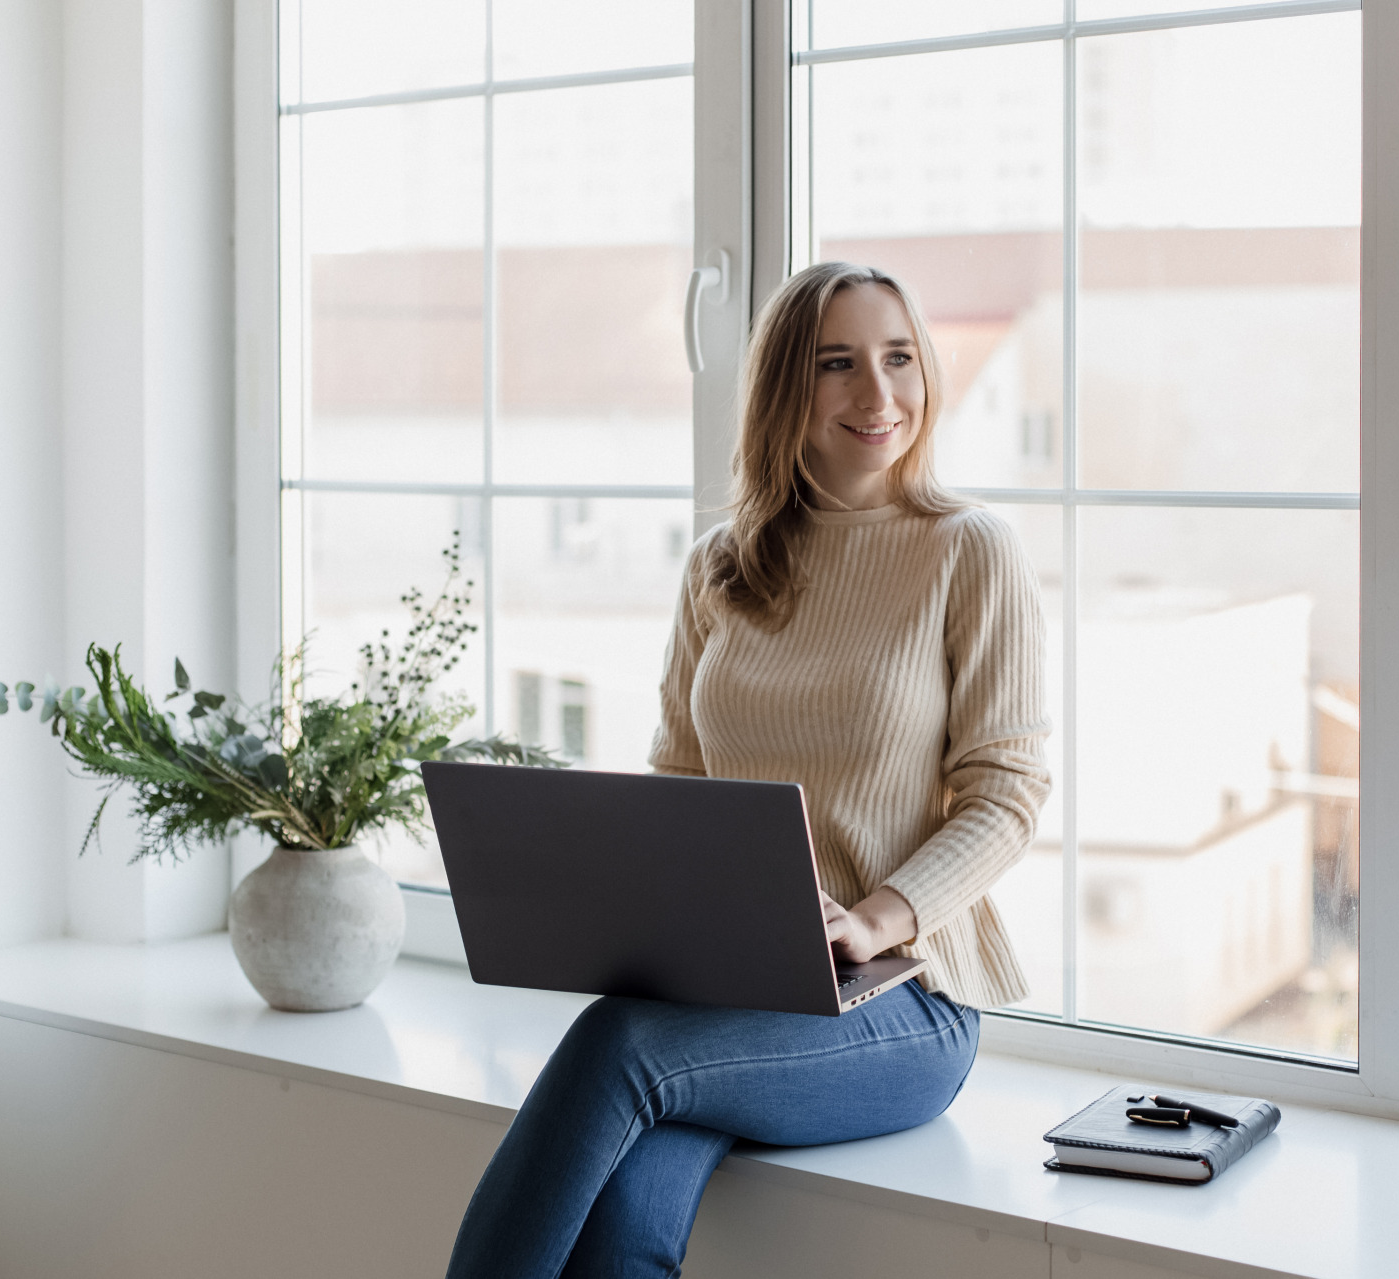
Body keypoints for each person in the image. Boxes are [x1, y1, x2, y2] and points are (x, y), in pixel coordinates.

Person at [444, 261, 1051, 1278]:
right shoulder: (721, 564)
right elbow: (679, 772)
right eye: (837, 364)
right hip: (730, 987)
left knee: (618, 1049)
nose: (879, 393)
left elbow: (1008, 791)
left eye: (899, 358)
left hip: (902, 999)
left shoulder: (971, 549)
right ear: (785, 389)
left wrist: (876, 917)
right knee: (625, 1216)